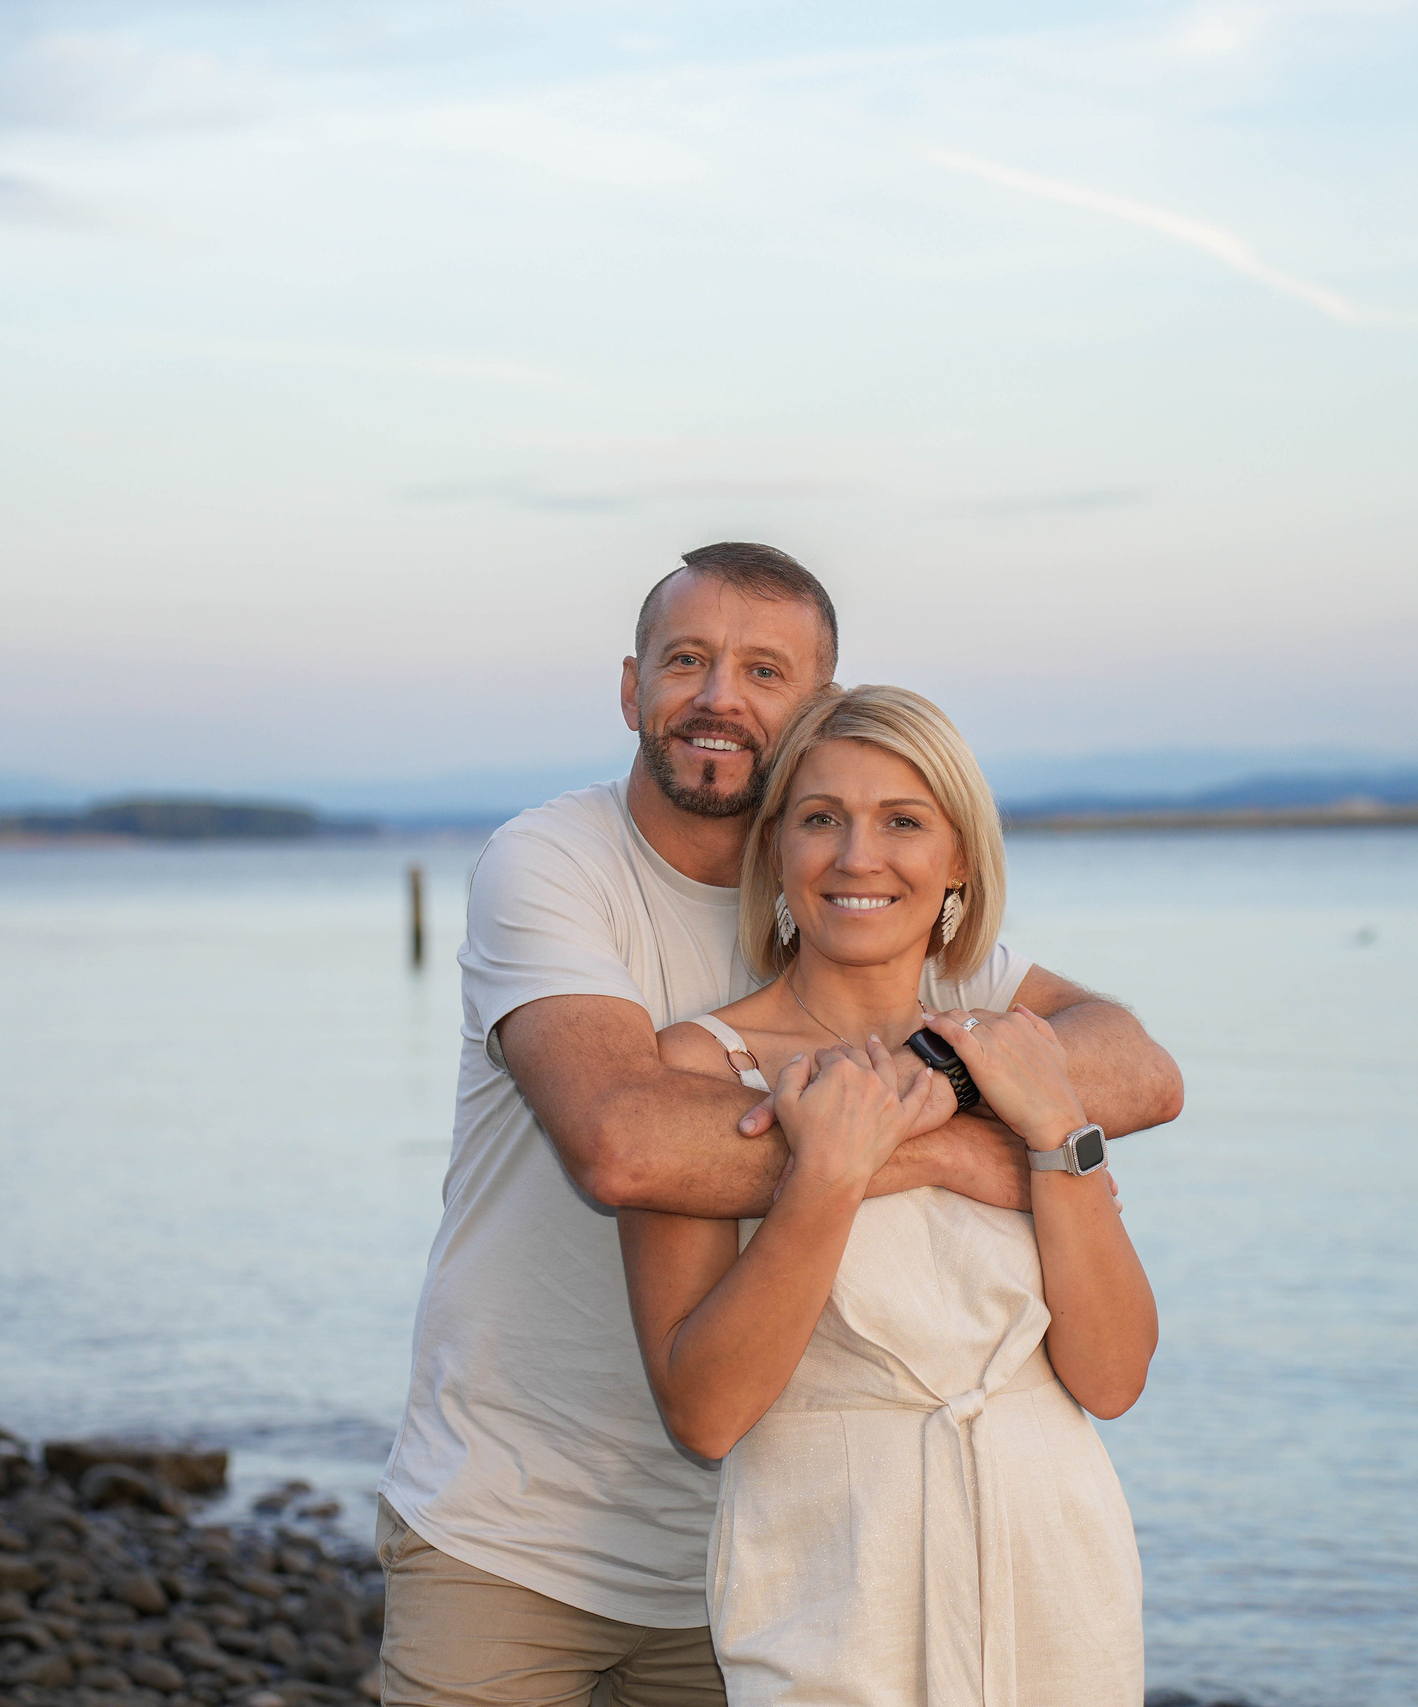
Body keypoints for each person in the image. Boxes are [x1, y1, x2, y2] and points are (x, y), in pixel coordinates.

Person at [376, 544, 1183, 1707]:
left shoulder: (908, 942)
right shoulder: (555, 864)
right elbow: (623, 1143)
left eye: (764, 670)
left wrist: (997, 1119)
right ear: (630, 687)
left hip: (780, 1555)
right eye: (687, 661)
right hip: (522, 1523)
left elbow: (1139, 1070)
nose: (718, 697)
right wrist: (950, 1144)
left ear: (818, 707)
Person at [620, 684, 1153, 1707]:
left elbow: (1115, 1375)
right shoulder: (698, 1066)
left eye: (902, 822)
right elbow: (705, 1414)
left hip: (1060, 1569)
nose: (858, 856)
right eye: (821, 819)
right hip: (835, 1588)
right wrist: (826, 1174)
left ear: (957, 859)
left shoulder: (1015, 1057)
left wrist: (1051, 1133)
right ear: (775, 851)